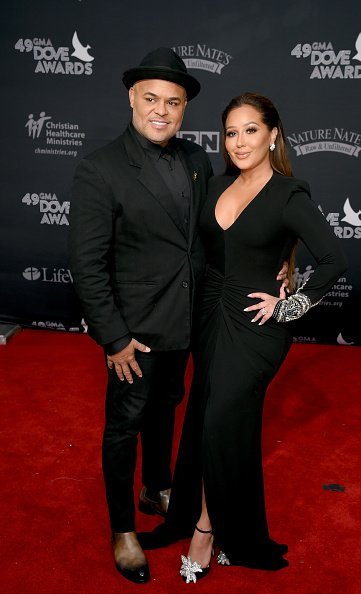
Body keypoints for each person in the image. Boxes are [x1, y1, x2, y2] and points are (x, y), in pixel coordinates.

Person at [141, 92, 347, 583]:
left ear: (273, 134)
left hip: (258, 327)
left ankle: (206, 530)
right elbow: (197, 254)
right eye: (230, 132)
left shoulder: (289, 195)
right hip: (210, 317)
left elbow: (335, 260)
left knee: (220, 424)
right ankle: (223, 523)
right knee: (207, 420)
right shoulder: (213, 188)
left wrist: (289, 304)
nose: (239, 142)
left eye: (250, 130)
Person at [68, 47, 213, 584]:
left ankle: (156, 486)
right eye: (151, 98)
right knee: (124, 425)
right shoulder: (100, 168)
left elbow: (205, 239)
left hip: (185, 322)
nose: (161, 110)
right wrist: (113, 337)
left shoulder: (197, 161)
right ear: (132, 97)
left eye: (172, 102)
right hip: (134, 334)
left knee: (167, 408)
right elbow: (87, 264)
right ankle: (123, 528)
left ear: (183, 109)